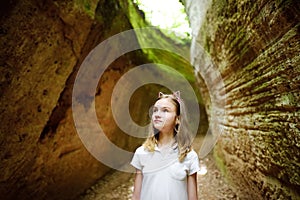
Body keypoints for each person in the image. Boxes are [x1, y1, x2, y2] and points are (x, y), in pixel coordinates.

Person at [131, 91, 200, 200]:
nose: (157, 114)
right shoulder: (141, 153)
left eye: (165, 110)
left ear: (177, 119)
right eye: (155, 110)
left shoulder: (189, 156)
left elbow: (193, 198)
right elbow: (136, 196)